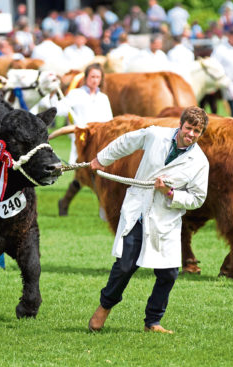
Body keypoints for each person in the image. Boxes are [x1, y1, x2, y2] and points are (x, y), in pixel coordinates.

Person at [88, 106, 210, 334]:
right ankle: (104, 308)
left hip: (165, 218)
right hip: (138, 209)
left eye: (197, 131)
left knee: (169, 273)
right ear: (180, 125)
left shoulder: (200, 162)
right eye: (189, 128)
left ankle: (153, 321)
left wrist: (171, 194)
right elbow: (126, 141)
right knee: (125, 266)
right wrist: (101, 158)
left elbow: (198, 198)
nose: (191, 134)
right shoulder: (155, 134)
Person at [55, 63, 113, 216]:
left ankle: (65, 202)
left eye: (98, 77)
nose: (95, 80)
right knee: (88, 173)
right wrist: (56, 101)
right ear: (86, 78)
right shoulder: (76, 94)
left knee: (88, 174)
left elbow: (109, 120)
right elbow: (61, 109)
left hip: (100, 140)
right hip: (83, 141)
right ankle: (105, 209)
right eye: (92, 76)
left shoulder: (103, 98)